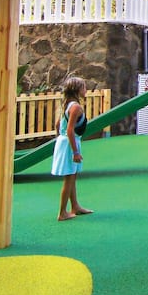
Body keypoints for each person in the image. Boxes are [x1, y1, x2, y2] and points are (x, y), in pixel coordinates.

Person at [52, 76, 93, 221]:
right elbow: (70, 130)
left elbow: (58, 124)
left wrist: (59, 138)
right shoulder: (75, 107)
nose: (86, 90)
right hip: (70, 143)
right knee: (69, 178)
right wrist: (75, 152)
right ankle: (62, 212)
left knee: (72, 175)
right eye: (84, 87)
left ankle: (75, 206)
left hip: (65, 142)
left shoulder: (67, 104)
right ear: (77, 90)